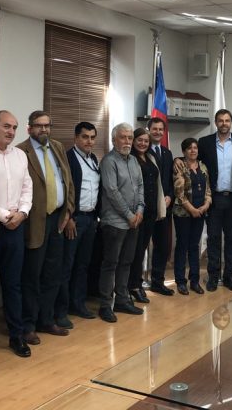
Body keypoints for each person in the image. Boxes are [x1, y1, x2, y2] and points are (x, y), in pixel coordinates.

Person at [0, 111, 33, 359]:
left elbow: (27, 187)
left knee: (13, 284)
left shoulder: (19, 155)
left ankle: (16, 335)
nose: (11, 132)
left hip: (16, 227)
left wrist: (22, 212)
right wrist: (4, 216)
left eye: (15, 127)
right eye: (6, 126)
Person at [16, 111, 75, 337]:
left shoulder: (57, 147)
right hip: (34, 221)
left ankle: (46, 320)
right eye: (39, 126)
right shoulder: (21, 151)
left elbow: (67, 180)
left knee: (53, 274)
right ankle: (28, 325)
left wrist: (68, 210)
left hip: (57, 219)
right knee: (32, 276)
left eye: (47, 125)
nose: (44, 130)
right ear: (29, 128)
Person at [98, 123, 145, 323]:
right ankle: (105, 305)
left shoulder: (133, 160)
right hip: (115, 222)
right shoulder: (108, 161)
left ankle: (122, 300)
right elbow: (112, 191)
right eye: (123, 137)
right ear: (114, 139)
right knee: (111, 264)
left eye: (130, 137)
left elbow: (140, 186)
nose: (127, 141)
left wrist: (140, 211)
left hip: (134, 220)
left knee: (126, 262)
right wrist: (128, 214)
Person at [197, 109, 232, 292]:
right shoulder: (205, 142)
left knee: (231, 239)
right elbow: (196, 165)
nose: (224, 123)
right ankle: (213, 276)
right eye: (221, 120)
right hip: (213, 199)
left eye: (227, 120)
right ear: (216, 122)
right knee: (213, 238)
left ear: (231, 122)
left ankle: (229, 276)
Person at [59, 122, 101, 320]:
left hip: (90, 219)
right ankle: (62, 309)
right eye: (85, 137)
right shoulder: (68, 158)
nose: (89, 141)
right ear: (76, 138)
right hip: (74, 220)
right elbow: (65, 190)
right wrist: (69, 217)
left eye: (92, 137)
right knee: (67, 265)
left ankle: (78, 304)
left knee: (83, 264)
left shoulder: (93, 158)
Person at [128, 127, 166, 303]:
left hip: (150, 212)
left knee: (142, 249)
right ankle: (132, 286)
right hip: (137, 212)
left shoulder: (151, 157)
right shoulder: (130, 158)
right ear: (133, 141)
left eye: (146, 141)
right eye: (139, 140)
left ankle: (137, 283)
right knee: (134, 251)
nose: (143, 143)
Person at [172, 137, 212, 295]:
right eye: (189, 148)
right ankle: (180, 281)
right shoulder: (180, 166)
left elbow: (208, 189)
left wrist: (206, 205)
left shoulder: (203, 166)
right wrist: (192, 209)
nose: (193, 150)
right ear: (184, 151)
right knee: (182, 246)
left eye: (195, 148)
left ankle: (194, 280)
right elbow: (179, 193)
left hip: (200, 213)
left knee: (195, 246)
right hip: (183, 214)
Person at [147, 117, 176, 297]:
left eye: (160, 129)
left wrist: (170, 196)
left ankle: (157, 282)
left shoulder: (167, 153)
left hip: (165, 207)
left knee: (163, 246)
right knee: (140, 248)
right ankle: (135, 285)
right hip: (147, 208)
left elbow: (170, 179)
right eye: (154, 129)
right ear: (149, 130)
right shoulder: (142, 150)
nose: (158, 132)